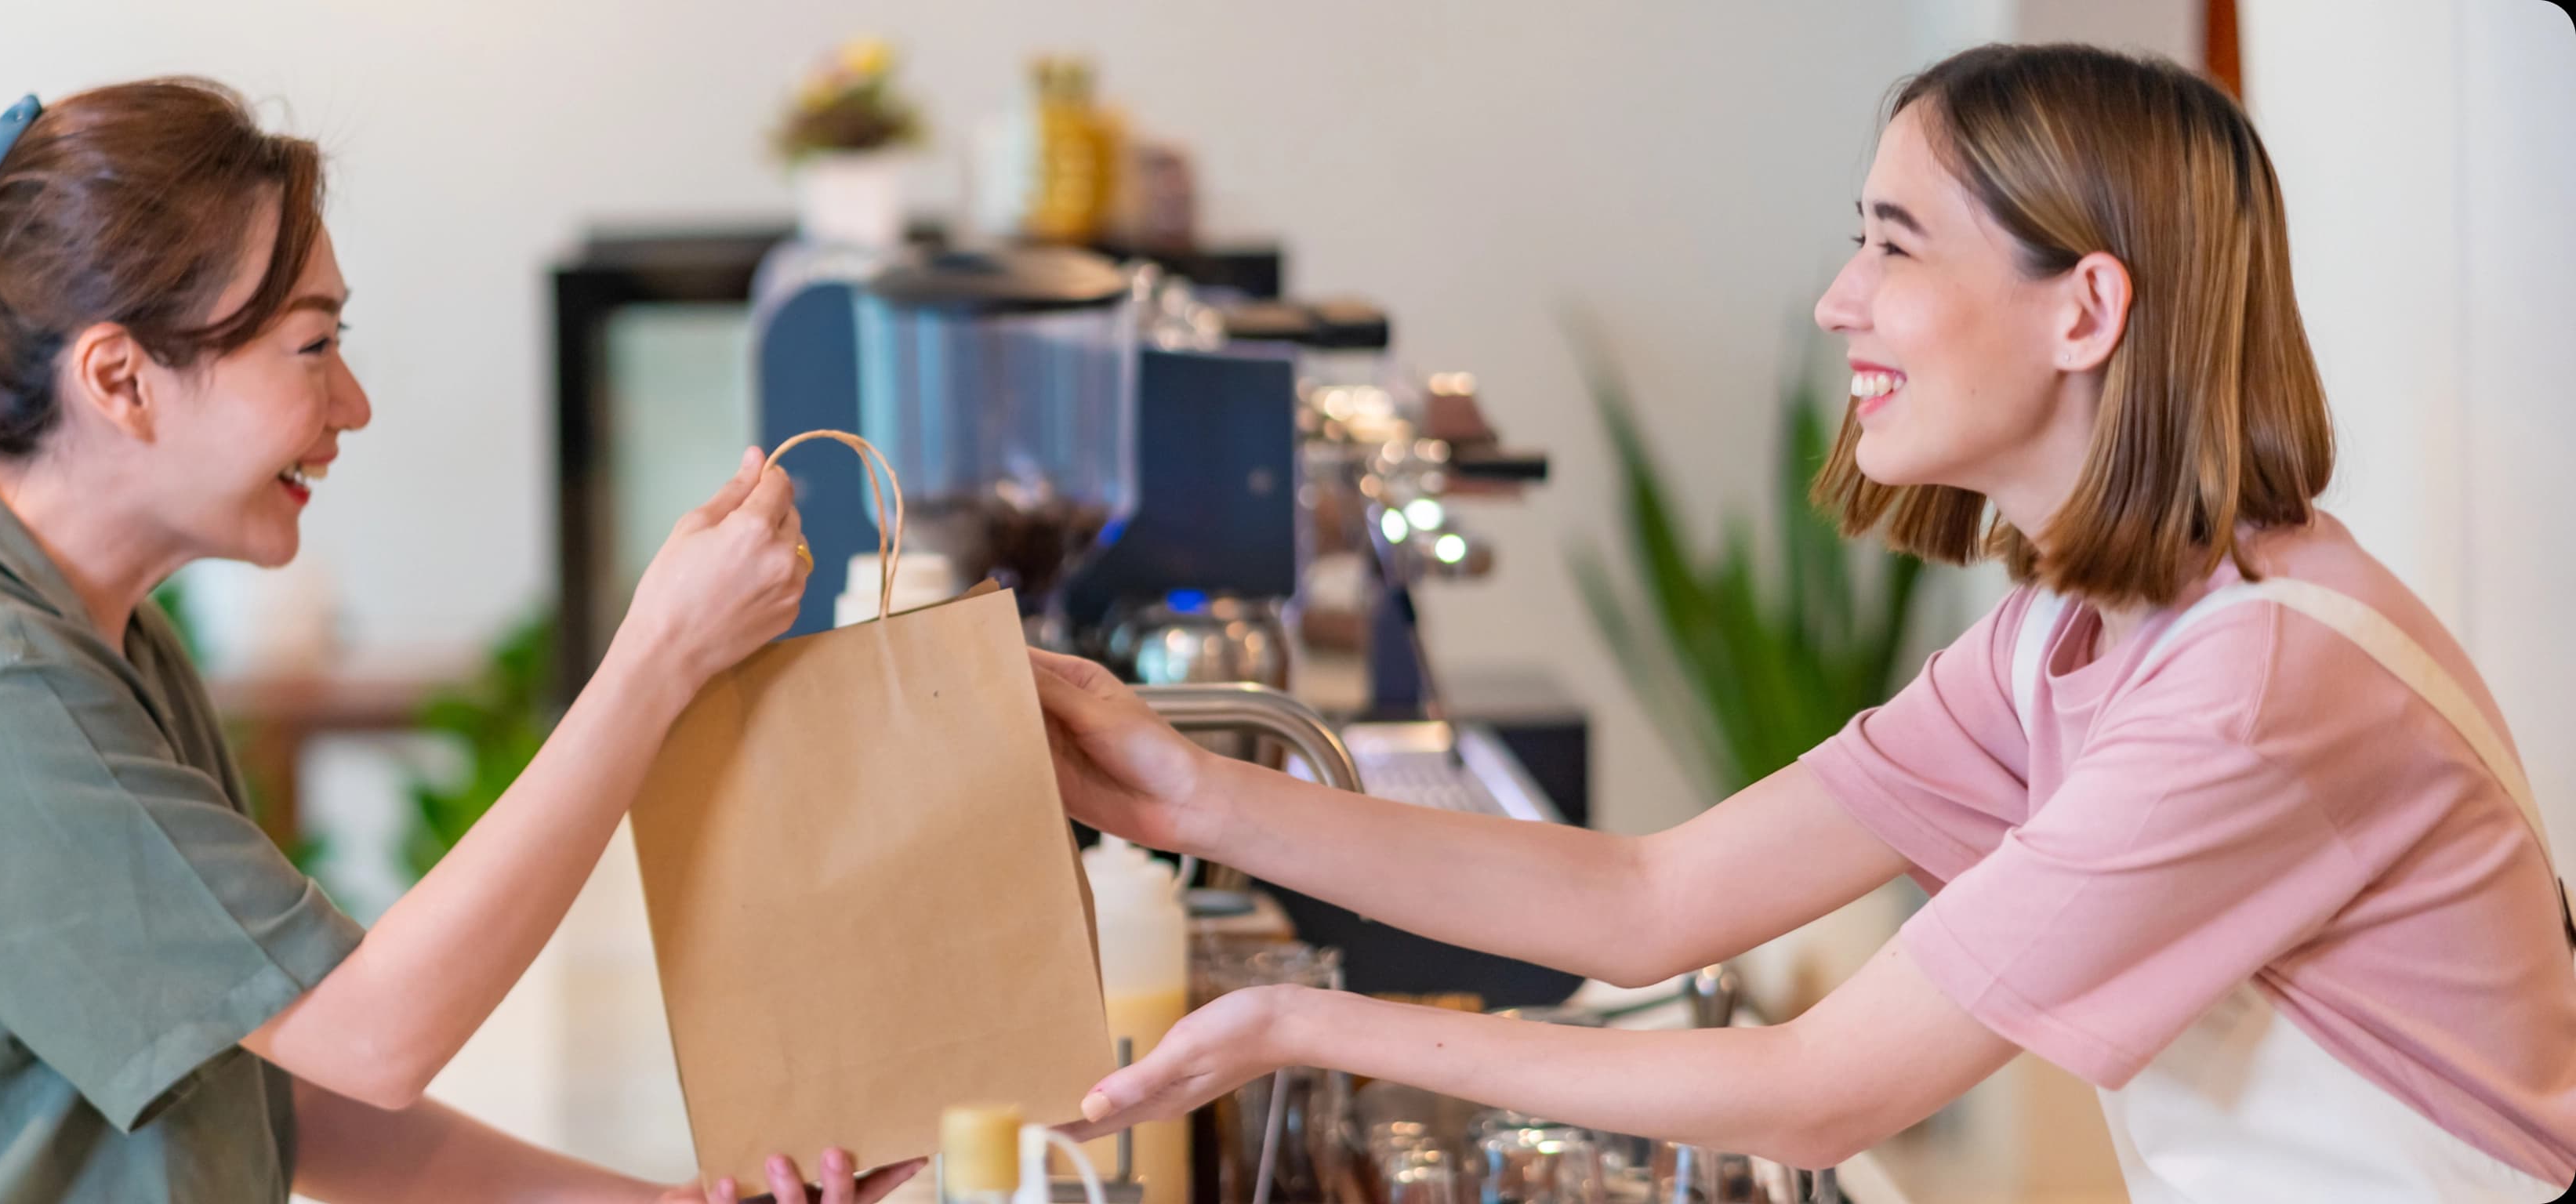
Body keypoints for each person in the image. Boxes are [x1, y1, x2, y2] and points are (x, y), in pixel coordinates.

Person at [1030, 44, 2576, 1202]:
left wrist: (1307, 1023)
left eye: (1897, 244)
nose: (1841, 299)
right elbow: (1646, 901)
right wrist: (1188, 790)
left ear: (2085, 312)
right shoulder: (2070, 637)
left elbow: (1814, 1091)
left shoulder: (2256, 683)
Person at [0, 78, 912, 1204]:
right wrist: (658, 658)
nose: (353, 405)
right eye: (312, 347)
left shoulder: (89, 640)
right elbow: (378, 1035)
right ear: (121, 379)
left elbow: (274, 1085)